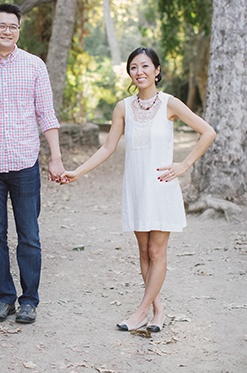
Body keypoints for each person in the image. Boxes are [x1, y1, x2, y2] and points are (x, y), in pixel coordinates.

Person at [60, 47, 215, 332]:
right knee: (143, 251)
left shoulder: (170, 103)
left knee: (157, 252)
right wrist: (78, 172)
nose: (139, 72)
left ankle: (140, 311)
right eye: (133, 67)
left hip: (161, 186)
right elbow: (108, 147)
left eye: (145, 66)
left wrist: (184, 164)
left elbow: (208, 131)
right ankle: (157, 310)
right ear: (129, 73)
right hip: (135, 186)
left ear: (157, 70)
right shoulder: (123, 107)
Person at [0, 3, 64, 325]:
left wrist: (55, 157)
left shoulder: (34, 66)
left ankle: (29, 299)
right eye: (1, 25)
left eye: (13, 26)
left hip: (24, 165)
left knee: (29, 234)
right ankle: (4, 297)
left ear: (19, 30)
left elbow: (46, 114)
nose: (8, 31)